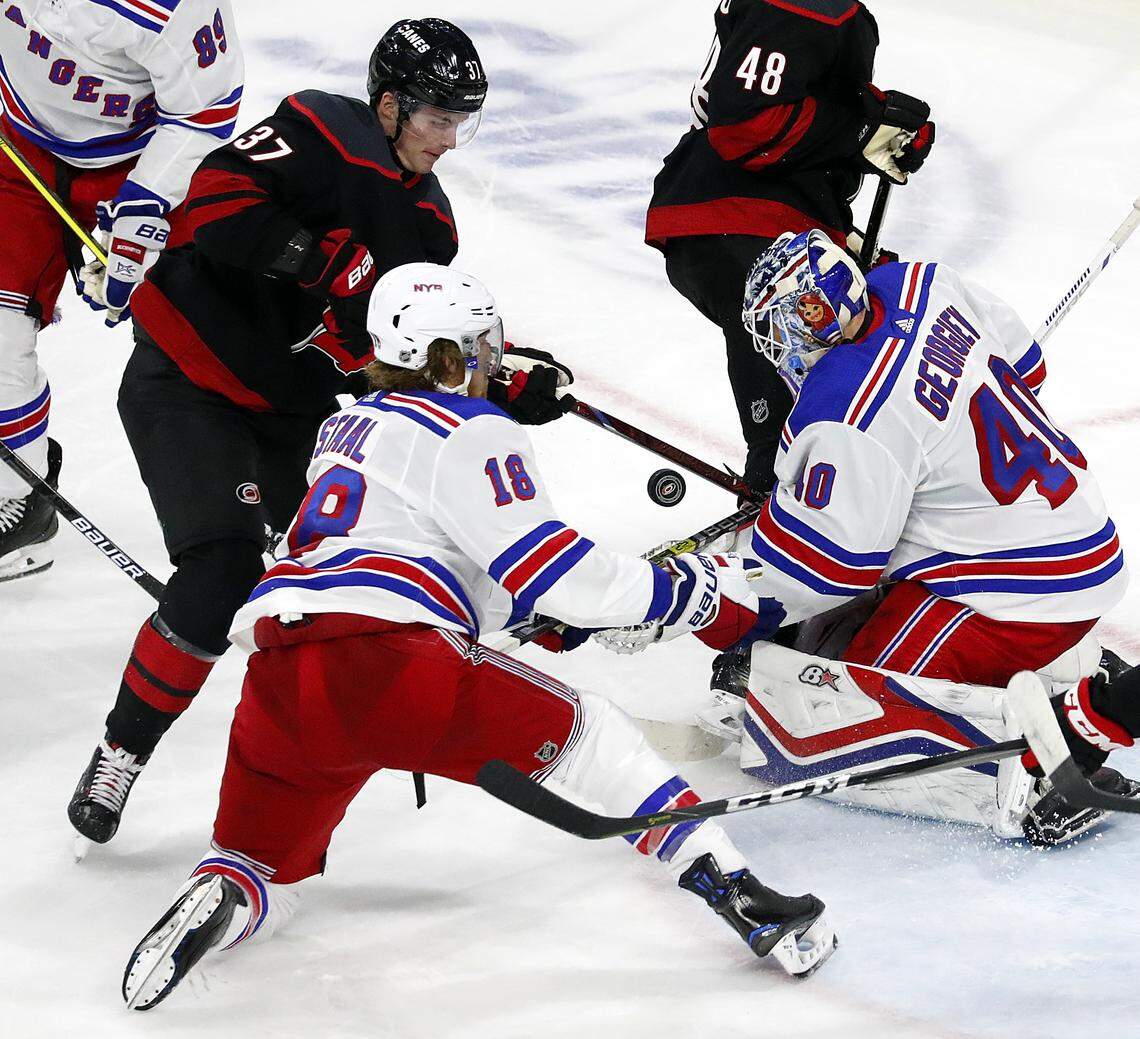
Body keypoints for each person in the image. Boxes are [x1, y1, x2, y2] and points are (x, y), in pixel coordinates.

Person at [119, 263, 833, 1011]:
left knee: (261, 868)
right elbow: (559, 570)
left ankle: (226, 891)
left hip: (280, 681)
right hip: (392, 663)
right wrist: (694, 596)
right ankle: (745, 896)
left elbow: (427, 557)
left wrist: (526, 616)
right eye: (481, 346)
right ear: (448, 358)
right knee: (597, 739)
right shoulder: (469, 426)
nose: (496, 361)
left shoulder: (345, 426)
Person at [66, 17, 569, 847]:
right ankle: (122, 749)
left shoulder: (432, 227)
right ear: (387, 104)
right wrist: (319, 256)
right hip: (188, 378)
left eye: (459, 123)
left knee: (366, 569)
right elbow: (214, 207)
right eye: (436, 119)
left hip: (294, 413)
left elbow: (401, 349)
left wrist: (503, 381)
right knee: (222, 567)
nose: (447, 142)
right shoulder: (317, 129)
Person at [648, 228, 1131, 843]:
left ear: (811, 317)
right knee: (847, 616)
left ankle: (1039, 774)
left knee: (835, 715)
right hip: (1076, 534)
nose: (776, 349)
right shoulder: (920, 282)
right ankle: (1072, 665)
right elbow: (1027, 365)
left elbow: (817, 572)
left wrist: (691, 600)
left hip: (1015, 593)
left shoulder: (842, 409)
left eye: (778, 329)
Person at [646, 0, 934, 499]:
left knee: (886, 319)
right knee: (803, 316)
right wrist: (862, 128)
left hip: (777, 214)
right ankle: (781, 492)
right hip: (737, 210)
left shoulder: (836, 12)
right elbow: (743, 126)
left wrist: (882, 120)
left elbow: (802, 91)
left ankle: (828, 490)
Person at [0, 0, 244, 580]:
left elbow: (206, 112)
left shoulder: (176, 7)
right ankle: (20, 498)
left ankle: (254, 505)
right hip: (15, 148)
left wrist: (147, 201)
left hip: (136, 161)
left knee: (207, 339)